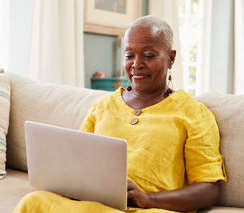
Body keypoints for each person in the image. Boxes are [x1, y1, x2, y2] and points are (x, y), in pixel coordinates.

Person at [13, 15, 226, 213]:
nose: (136, 64)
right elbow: (77, 168)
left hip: (151, 209)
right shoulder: (101, 107)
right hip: (96, 206)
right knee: (32, 202)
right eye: (129, 55)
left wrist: (149, 199)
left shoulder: (194, 113)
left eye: (149, 55)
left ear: (171, 58)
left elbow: (208, 190)